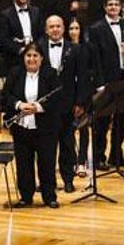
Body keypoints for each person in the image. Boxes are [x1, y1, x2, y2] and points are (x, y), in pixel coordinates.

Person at [3, 43, 62, 208]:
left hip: (45, 128)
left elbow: (57, 98)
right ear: (24, 58)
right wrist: (19, 105)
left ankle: (49, 197)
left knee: (47, 163)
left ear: (41, 58)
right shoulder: (15, 73)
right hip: (21, 127)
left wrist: (38, 107)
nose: (32, 59)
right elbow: (6, 95)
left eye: (35, 56)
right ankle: (26, 197)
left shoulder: (50, 74)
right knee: (23, 164)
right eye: (28, 56)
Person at [38, 15, 89, 194]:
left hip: (68, 104)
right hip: (45, 106)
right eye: (51, 27)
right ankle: (47, 182)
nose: (55, 30)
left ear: (63, 28)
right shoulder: (39, 48)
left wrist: (80, 102)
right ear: (46, 30)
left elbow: (82, 77)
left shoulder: (74, 49)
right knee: (46, 147)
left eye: (58, 26)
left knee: (67, 145)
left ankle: (68, 180)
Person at [88, 0, 124, 169]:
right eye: (110, 5)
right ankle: (99, 156)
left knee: (122, 119)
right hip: (106, 80)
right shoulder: (96, 29)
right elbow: (95, 58)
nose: (114, 7)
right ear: (105, 7)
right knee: (103, 121)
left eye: (116, 4)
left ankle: (116, 154)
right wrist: (99, 83)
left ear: (120, 7)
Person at [0, 0, 43, 73]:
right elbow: (3, 40)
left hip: (35, 54)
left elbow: (41, 34)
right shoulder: (5, 15)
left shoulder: (36, 11)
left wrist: (35, 48)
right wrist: (20, 50)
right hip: (15, 57)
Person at [67, 17, 93, 178]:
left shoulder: (88, 48)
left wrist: (82, 99)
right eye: (71, 28)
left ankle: (82, 161)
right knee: (68, 130)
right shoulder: (65, 48)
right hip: (68, 94)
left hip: (84, 93)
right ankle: (70, 161)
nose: (74, 32)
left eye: (76, 28)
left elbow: (90, 71)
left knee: (83, 128)